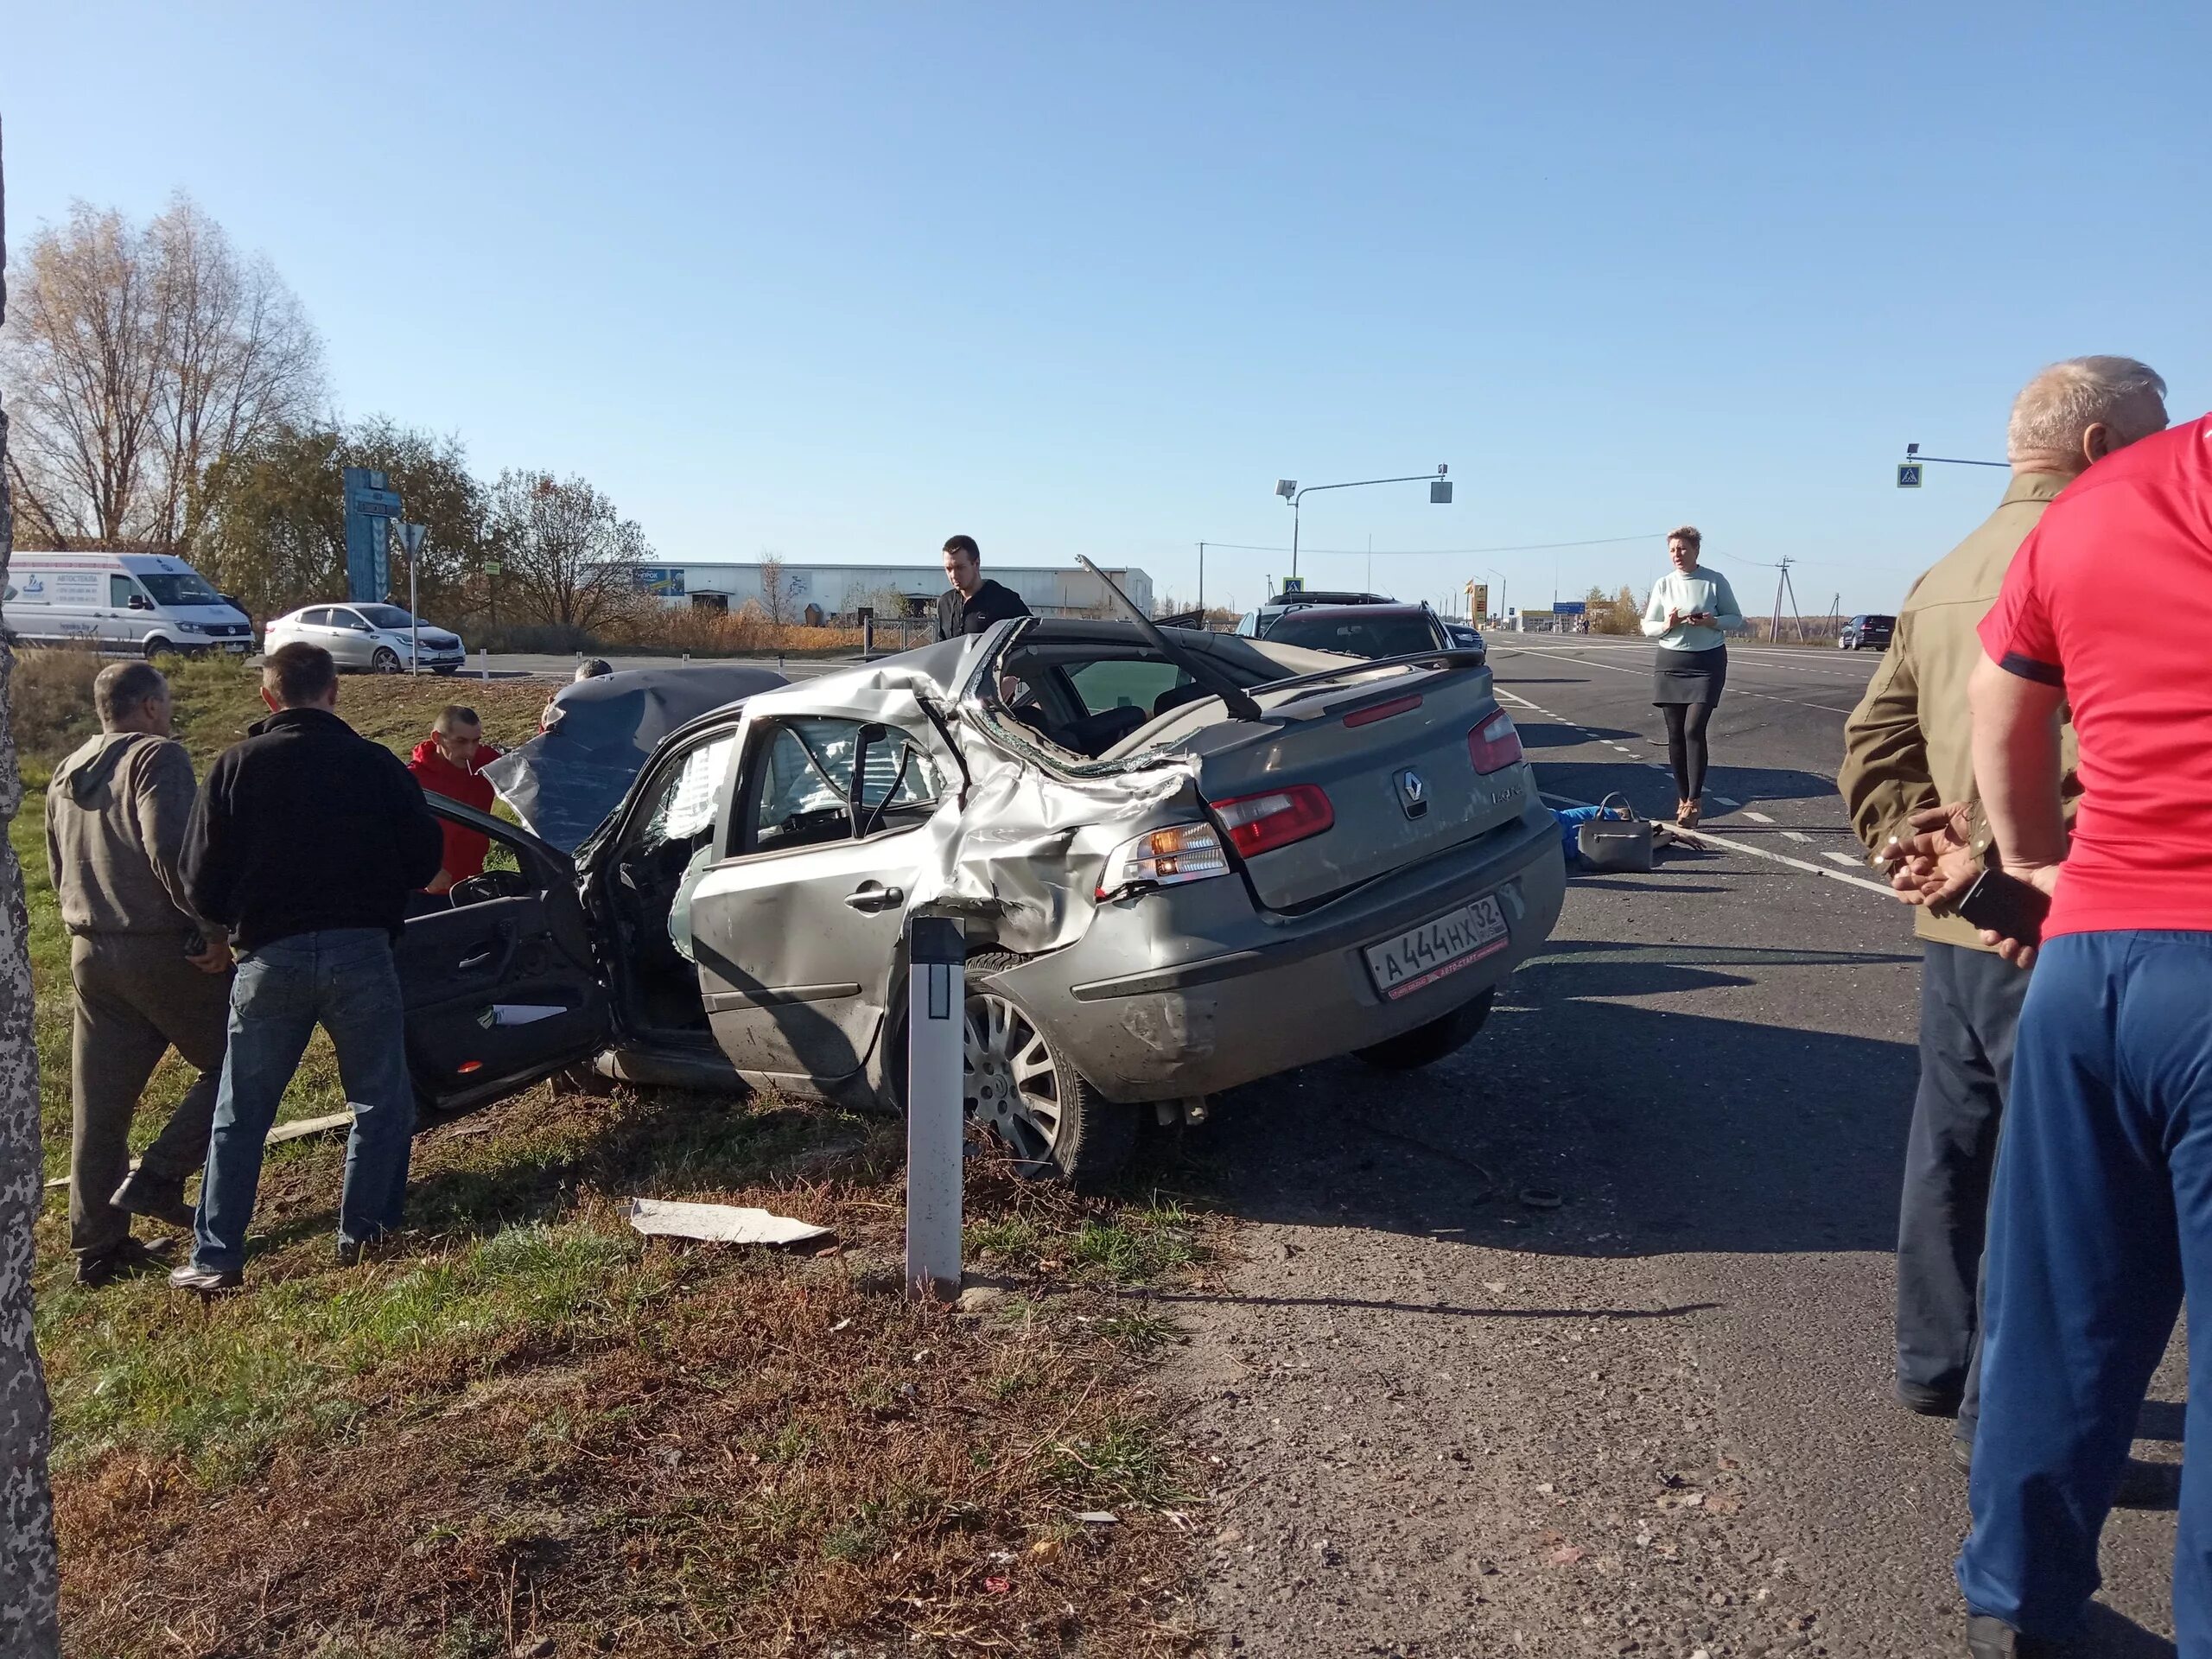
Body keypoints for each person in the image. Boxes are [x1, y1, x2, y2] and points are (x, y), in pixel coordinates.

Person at [1840, 357, 2169, 1483]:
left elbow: (1874, 741)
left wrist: (1920, 856)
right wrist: (2018, 878)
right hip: (2069, 923)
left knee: (1951, 1151)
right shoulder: (2121, 550)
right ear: (2099, 447)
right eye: (2156, 432)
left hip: (1957, 925)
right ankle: (2019, 1423)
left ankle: (1933, 1365)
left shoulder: (1943, 572)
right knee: (2065, 1193)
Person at [1953, 404, 2212, 1657]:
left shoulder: (2102, 501)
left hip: (2094, 963)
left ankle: (2016, 1608)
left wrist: (2037, 869)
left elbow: (1998, 710)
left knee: (2060, 1320)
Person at [171, 643, 443, 1292]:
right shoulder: (374, 765)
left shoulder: (235, 765)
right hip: (361, 953)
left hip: (269, 956)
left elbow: (198, 879)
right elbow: (424, 856)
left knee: (242, 1113)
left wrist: (234, 919)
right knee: (381, 1102)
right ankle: (365, 1236)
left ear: (269, 696)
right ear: (334, 692)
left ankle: (216, 1257)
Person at [45, 663, 233, 1286]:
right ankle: (158, 1175)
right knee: (239, 1059)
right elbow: (171, 850)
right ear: (150, 706)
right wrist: (212, 929)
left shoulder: (67, 769)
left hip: (89, 950)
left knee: (99, 1108)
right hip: (159, 948)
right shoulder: (158, 757)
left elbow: (54, 864)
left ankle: (97, 1249)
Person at [1640, 526, 1745, 828]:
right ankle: (1683, 799)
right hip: (1671, 661)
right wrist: (1668, 624)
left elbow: (1736, 618)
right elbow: (1649, 626)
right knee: (1674, 734)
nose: (1677, 555)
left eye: (1683, 549)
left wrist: (1713, 622)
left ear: (1696, 550)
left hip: (1707, 662)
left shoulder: (1714, 581)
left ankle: (1695, 801)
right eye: (1673, 549)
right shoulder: (1664, 584)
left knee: (1693, 729)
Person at [406, 705, 503, 899]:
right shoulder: (412, 779)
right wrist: (424, 869)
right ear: (437, 738)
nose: (470, 751)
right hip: (427, 892)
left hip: (473, 884)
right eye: (460, 741)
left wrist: (547, 725)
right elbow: (391, 833)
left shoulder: (485, 763)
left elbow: (528, 763)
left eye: (476, 741)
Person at [934, 534, 1031, 642]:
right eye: (948, 569)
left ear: (976, 563)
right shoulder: (945, 603)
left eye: (960, 568)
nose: (954, 575)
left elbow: (1033, 640)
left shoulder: (1005, 600)